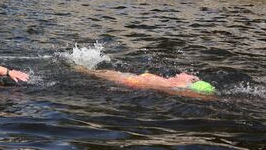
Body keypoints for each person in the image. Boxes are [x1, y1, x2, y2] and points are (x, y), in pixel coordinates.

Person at [74, 66, 215, 96]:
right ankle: (80, 68)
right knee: (101, 73)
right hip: (137, 80)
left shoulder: (180, 84)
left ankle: (78, 67)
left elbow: (183, 80)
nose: (180, 74)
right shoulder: (179, 86)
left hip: (136, 80)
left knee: (98, 73)